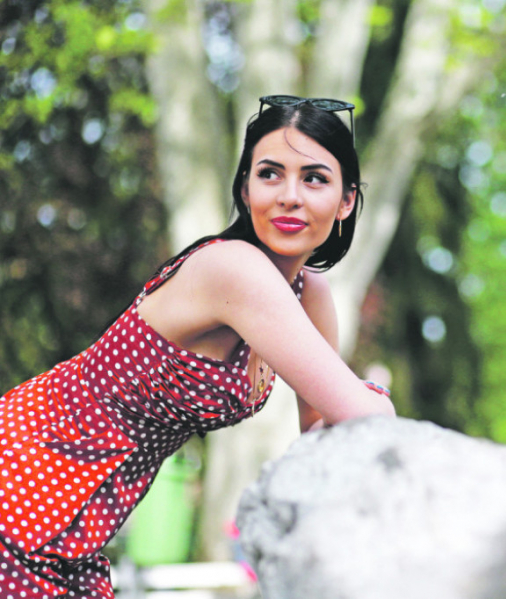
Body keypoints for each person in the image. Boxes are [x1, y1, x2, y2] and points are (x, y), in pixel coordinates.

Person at [0, 96, 395, 598]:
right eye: (269, 174)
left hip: (75, 521)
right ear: (245, 188)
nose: (289, 196)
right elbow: (364, 415)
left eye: (314, 178)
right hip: (22, 482)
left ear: (346, 201)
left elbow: (322, 430)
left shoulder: (309, 291)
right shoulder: (233, 268)